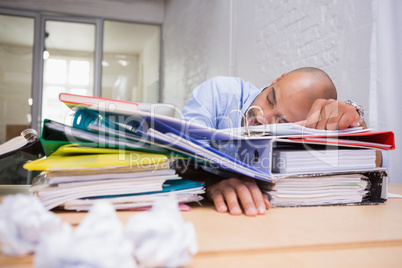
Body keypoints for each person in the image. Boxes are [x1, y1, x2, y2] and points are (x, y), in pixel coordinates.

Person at [182, 67, 384, 217]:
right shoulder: (220, 94)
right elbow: (174, 155)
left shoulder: (311, 132)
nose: (262, 117)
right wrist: (211, 182)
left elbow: (374, 166)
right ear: (278, 79)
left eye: (281, 122)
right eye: (270, 99)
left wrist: (355, 121)